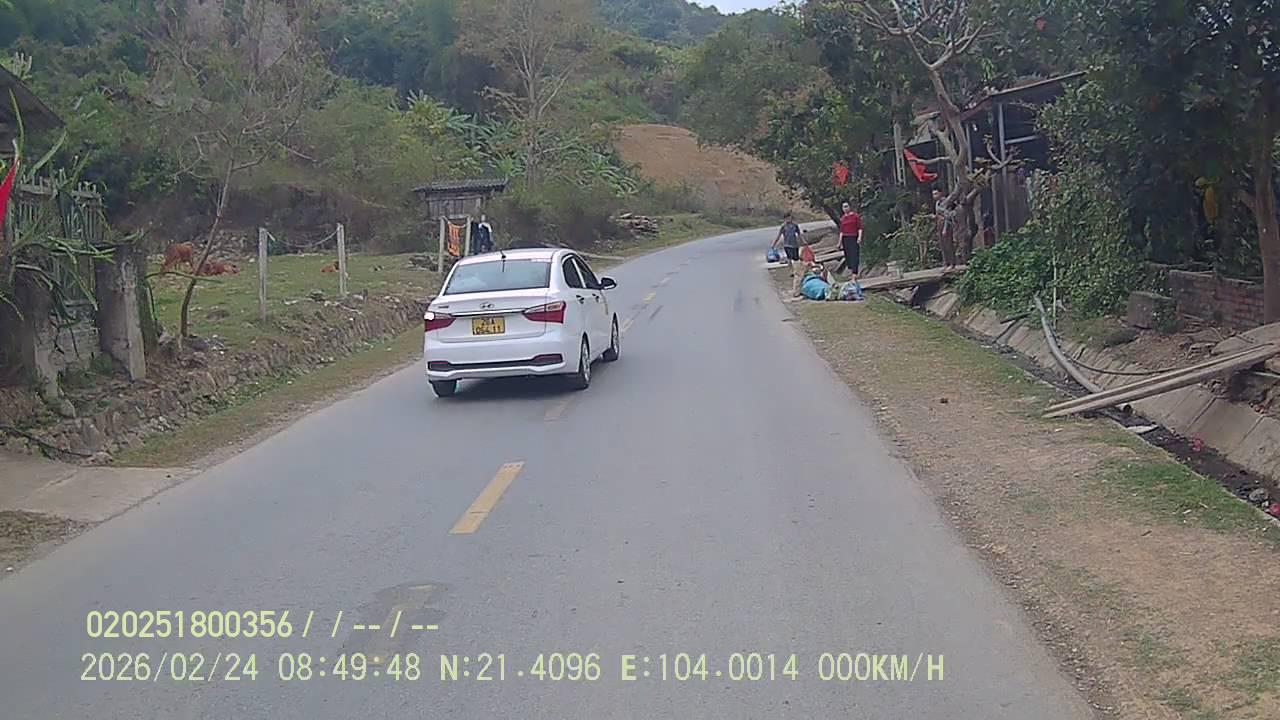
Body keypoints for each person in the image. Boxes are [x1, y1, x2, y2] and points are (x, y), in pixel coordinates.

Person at [772, 212, 806, 297]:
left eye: (790, 218)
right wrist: (774, 244)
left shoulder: (795, 225)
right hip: (787, 245)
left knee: (796, 259)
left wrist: (803, 241)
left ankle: (796, 271)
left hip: (795, 245)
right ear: (785, 219)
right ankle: (792, 271)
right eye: (787, 218)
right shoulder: (783, 227)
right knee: (790, 259)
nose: (788, 219)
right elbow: (779, 235)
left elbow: (799, 234)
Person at [835, 201, 863, 281]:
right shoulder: (843, 218)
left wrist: (859, 237)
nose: (845, 208)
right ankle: (851, 273)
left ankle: (854, 275)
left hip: (853, 237)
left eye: (846, 206)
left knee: (854, 255)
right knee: (848, 256)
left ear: (850, 207)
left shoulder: (855, 216)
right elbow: (841, 231)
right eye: (843, 207)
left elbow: (860, 228)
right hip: (845, 238)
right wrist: (839, 242)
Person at [933, 189, 957, 267]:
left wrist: (945, 229)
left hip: (946, 224)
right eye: (933, 194)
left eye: (936, 193)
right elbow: (938, 214)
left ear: (940, 193)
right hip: (939, 223)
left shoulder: (946, 202)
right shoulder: (937, 203)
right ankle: (946, 263)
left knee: (948, 244)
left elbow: (947, 216)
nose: (934, 196)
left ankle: (952, 263)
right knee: (942, 245)